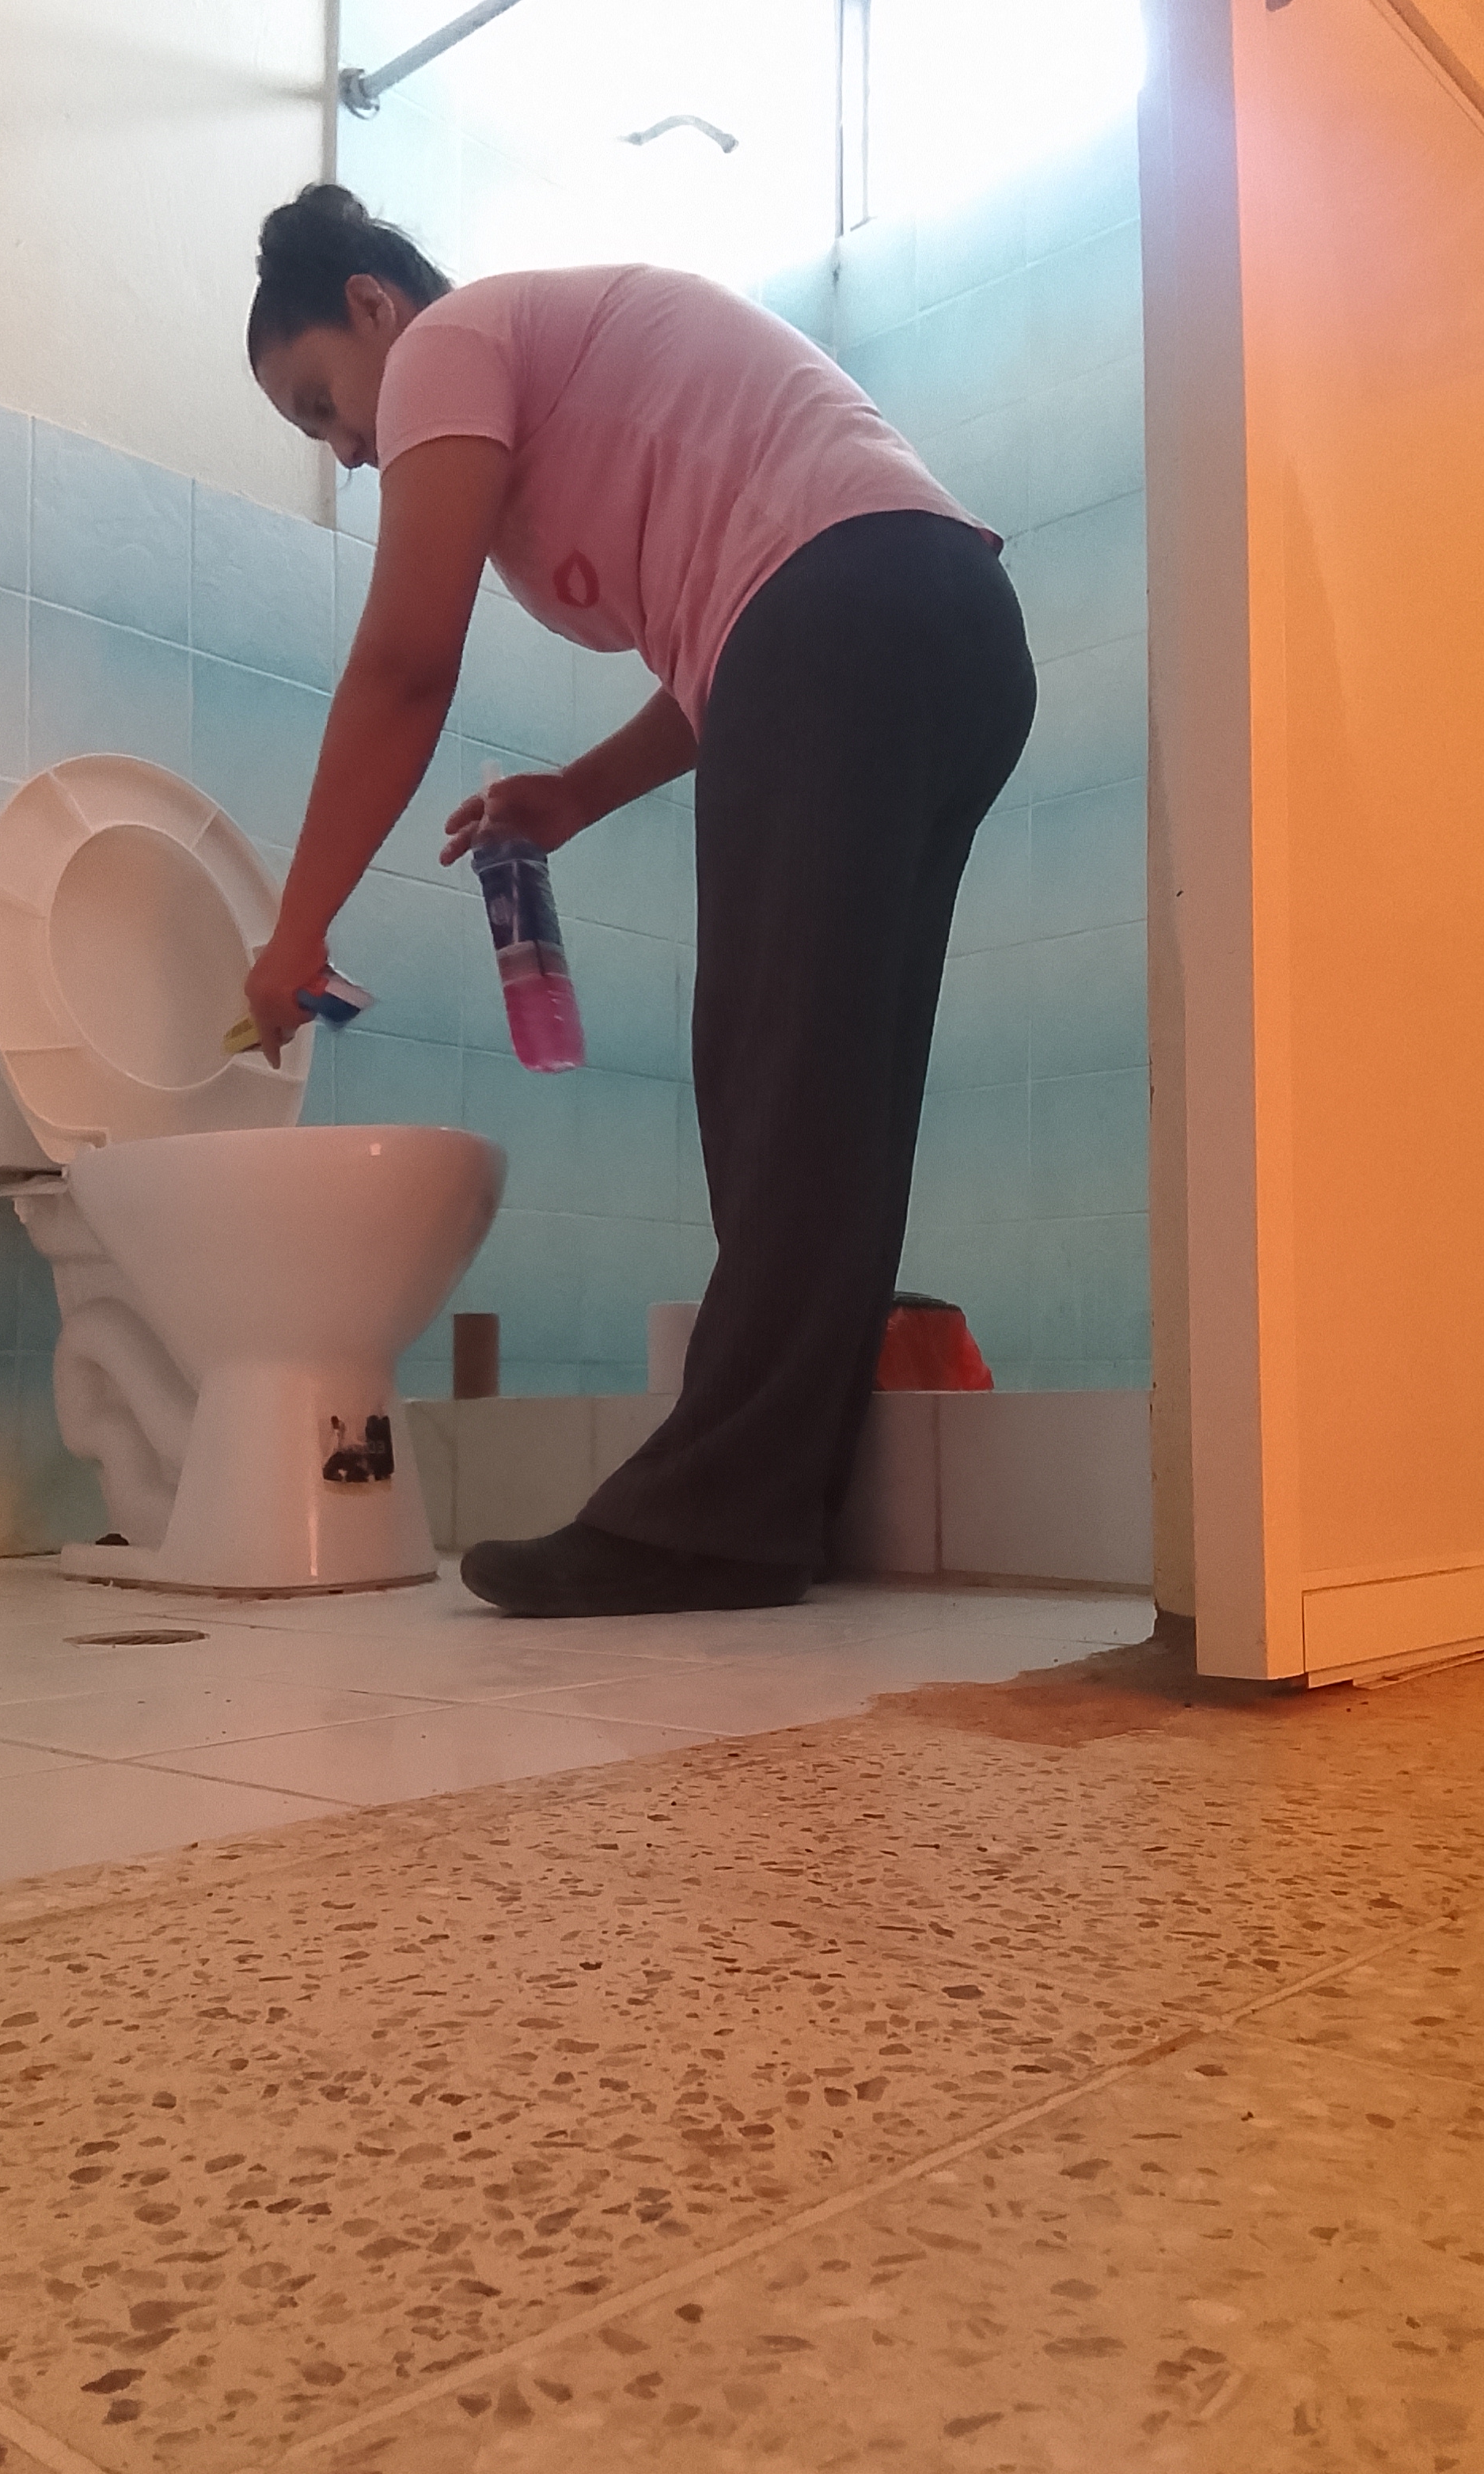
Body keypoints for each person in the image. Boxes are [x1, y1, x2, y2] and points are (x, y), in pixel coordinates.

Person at [244, 183, 1036, 1619]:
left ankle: (716, 1514)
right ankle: (774, 1498)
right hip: (948, 623)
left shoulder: (446, 346)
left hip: (846, 610)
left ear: (372, 305)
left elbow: (406, 667)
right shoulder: (549, 381)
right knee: (832, 1087)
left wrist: (295, 929)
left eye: (321, 404)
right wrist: (578, 793)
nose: (349, 448)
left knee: (772, 1070)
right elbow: (723, 644)